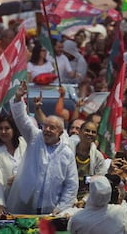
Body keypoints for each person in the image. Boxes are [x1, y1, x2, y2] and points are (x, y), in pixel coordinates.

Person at [6, 81, 78, 215]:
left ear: (61, 133)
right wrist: (18, 98)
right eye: (46, 126)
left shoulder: (67, 153)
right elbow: (22, 119)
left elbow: (71, 184)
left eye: (52, 128)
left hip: (51, 210)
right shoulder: (35, 137)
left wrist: (61, 208)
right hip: (25, 205)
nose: (48, 130)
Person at [0, 116, 26, 215]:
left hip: (27, 198)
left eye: (7, 128)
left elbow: (31, 166)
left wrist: (19, 178)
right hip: (7, 198)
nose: (3, 132)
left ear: (14, 129)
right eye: (0, 129)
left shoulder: (24, 143)